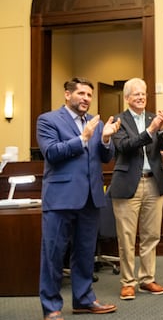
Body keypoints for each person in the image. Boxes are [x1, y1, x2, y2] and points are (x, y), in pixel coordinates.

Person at [37, 77, 120, 320]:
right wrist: (83, 138)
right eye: (81, 93)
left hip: (90, 198)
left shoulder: (96, 122)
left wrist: (105, 139)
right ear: (67, 94)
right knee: (53, 254)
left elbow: (106, 157)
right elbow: (52, 153)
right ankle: (51, 306)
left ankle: (84, 299)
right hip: (60, 198)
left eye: (89, 95)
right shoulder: (48, 120)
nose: (86, 98)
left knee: (84, 253)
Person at [108, 78, 163, 301]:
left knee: (151, 235)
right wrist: (150, 130)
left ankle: (147, 279)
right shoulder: (118, 120)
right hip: (127, 184)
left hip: (153, 182)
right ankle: (127, 282)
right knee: (126, 237)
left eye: (143, 94)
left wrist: (161, 129)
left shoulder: (154, 118)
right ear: (127, 98)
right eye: (136, 94)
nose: (141, 97)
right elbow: (124, 146)